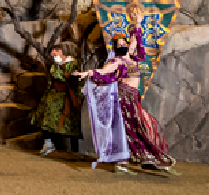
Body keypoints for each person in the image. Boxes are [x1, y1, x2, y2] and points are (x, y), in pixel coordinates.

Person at [74, 10, 178, 175]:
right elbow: (103, 71)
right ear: (116, 48)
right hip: (123, 97)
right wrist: (87, 73)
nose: (122, 45)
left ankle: (145, 158)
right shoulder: (117, 60)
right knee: (127, 129)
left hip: (133, 97)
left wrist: (138, 22)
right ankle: (124, 162)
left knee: (140, 126)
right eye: (119, 44)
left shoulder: (133, 57)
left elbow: (136, 39)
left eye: (124, 43)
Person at [31, 44, 84, 159]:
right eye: (52, 54)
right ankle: (48, 144)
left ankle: (75, 151)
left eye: (54, 53)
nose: (53, 56)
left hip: (68, 96)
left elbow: (78, 81)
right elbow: (50, 81)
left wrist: (79, 96)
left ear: (60, 51)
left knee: (71, 123)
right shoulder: (55, 65)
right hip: (53, 95)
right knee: (46, 118)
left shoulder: (73, 64)